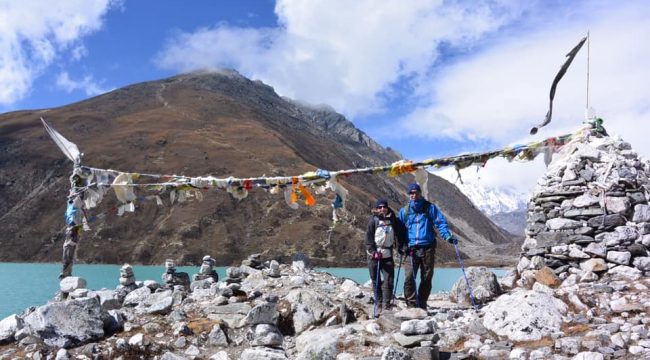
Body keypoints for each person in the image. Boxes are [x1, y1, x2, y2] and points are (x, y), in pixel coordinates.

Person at [398, 183, 456, 309]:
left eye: (415, 192)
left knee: (426, 277)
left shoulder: (430, 208)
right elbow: (399, 229)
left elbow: (440, 222)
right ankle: (412, 305)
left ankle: (422, 303)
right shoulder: (405, 211)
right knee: (409, 277)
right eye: (411, 193)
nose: (413, 195)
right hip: (411, 249)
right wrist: (401, 244)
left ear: (420, 193)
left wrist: (447, 236)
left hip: (428, 247)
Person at [365, 198, 404, 315]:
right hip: (374, 256)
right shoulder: (373, 220)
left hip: (387, 255)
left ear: (387, 208)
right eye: (379, 207)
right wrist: (373, 251)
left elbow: (398, 235)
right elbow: (368, 239)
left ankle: (386, 306)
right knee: (376, 281)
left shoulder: (393, 220)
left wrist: (402, 247)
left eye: (384, 207)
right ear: (377, 209)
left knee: (389, 281)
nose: (382, 209)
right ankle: (379, 304)